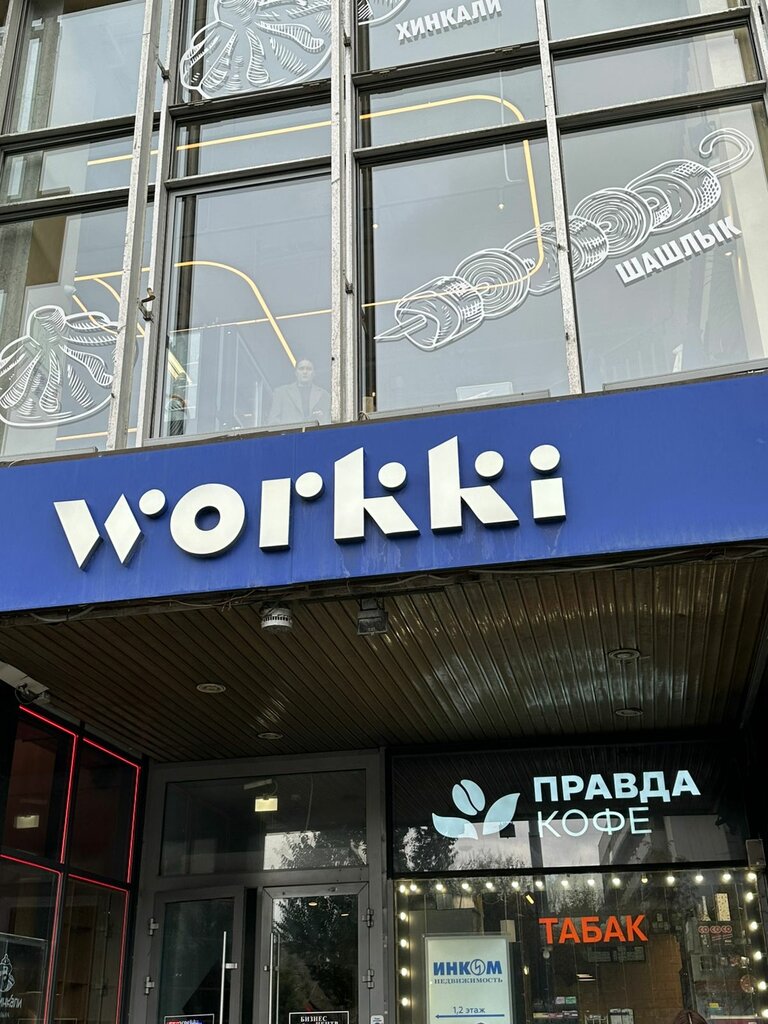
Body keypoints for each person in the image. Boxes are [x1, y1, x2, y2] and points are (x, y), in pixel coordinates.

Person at [267, 358, 330, 426]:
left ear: (314, 373)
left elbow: (327, 421)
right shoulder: (281, 393)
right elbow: (273, 422)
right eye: (301, 369)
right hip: (290, 432)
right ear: (296, 373)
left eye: (309, 369)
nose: (305, 372)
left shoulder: (324, 395)